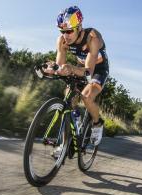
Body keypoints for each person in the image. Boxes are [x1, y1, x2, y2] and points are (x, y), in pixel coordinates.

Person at [44, 6, 109, 148]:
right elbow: (59, 65)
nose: (65, 35)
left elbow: (88, 72)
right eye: (62, 31)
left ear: (79, 27)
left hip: (97, 69)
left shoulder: (93, 38)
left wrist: (70, 68)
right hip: (80, 67)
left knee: (86, 96)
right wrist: (52, 69)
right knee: (68, 97)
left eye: (69, 31)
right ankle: (64, 143)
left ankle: (97, 124)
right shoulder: (62, 41)